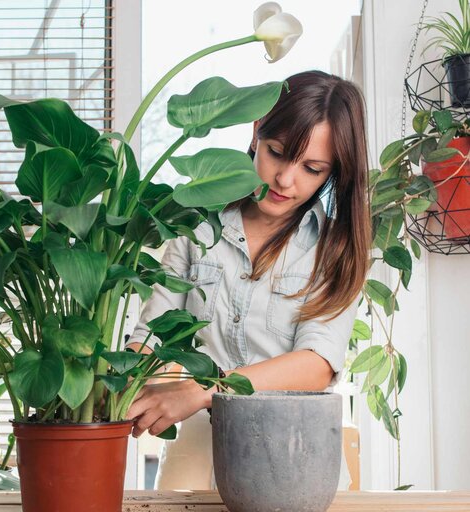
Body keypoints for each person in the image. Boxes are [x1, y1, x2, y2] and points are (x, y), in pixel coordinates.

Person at [125, 70, 370, 490]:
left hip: (298, 455)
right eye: (277, 153)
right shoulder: (197, 224)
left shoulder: (334, 247)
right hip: (199, 449)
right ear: (257, 131)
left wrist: (205, 390)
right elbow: (154, 336)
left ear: (333, 172)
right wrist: (119, 383)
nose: (286, 180)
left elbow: (315, 364)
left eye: (312, 168)